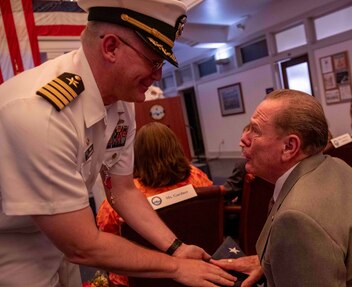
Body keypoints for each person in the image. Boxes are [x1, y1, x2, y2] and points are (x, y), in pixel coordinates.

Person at [0, 1, 236, 286]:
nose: (158, 75)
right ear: (111, 47)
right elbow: (83, 245)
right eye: (153, 61)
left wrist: (177, 248)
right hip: (12, 246)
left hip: (61, 240)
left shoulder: (121, 101)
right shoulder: (41, 113)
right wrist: (175, 267)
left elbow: (122, 190)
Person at [211, 89, 352, 287]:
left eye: (255, 130)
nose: (243, 139)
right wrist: (273, 262)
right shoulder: (337, 166)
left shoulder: (296, 219)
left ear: (289, 147)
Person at [97, 122, 213, 286]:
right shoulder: (198, 178)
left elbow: (106, 241)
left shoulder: (118, 202)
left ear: (137, 154)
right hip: (198, 267)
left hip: (140, 279)